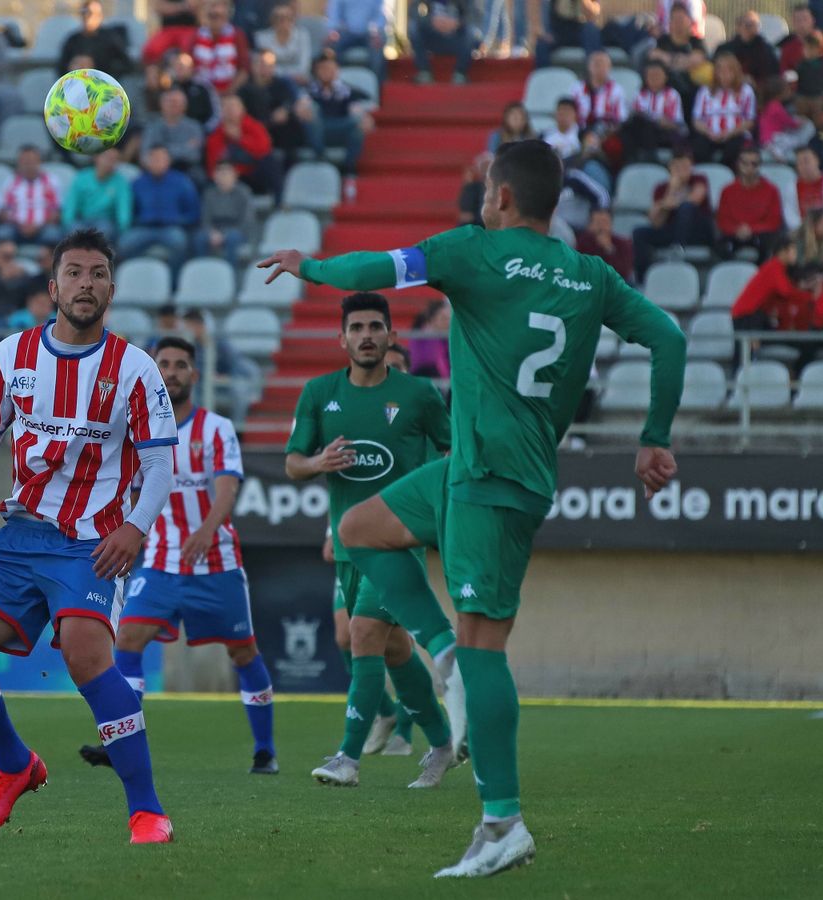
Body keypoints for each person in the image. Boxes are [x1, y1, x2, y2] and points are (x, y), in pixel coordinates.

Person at [258, 138, 686, 878]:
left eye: (487, 188)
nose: (483, 198)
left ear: (503, 198)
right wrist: (651, 438)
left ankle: (502, 822)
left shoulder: (474, 250)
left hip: (494, 479)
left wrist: (309, 266)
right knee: (359, 528)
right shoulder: (591, 275)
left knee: (486, 644)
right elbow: (670, 338)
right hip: (480, 469)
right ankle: (441, 650)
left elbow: (377, 269)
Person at [0, 227, 177, 845]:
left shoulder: (135, 368)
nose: (84, 284)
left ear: (111, 288)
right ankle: (14, 766)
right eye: (74, 273)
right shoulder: (11, 356)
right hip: (19, 537)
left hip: (89, 542)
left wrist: (135, 528)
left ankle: (145, 809)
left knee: (88, 653)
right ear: (52, 285)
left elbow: (160, 463)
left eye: (96, 273)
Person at [74, 336, 276, 775]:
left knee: (244, 652)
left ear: (194, 375)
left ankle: (265, 749)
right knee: (126, 641)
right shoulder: (134, 429)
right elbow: (122, 491)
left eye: (181, 364)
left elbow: (227, 488)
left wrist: (206, 530)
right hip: (161, 563)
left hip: (216, 563)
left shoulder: (217, 429)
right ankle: (120, 741)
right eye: (163, 363)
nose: (171, 371)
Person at [285, 291, 461, 788]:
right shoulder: (319, 393)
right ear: (341, 338)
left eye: (374, 327)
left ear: (392, 336)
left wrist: (434, 498)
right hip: (348, 544)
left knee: (361, 633)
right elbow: (293, 462)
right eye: (356, 328)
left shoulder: (419, 394)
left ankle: (348, 756)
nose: (366, 336)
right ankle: (444, 744)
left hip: (397, 540)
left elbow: (454, 454)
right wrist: (318, 462)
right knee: (395, 651)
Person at [632, 150, 715, 280]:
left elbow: (695, 199)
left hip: (697, 230)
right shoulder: (661, 188)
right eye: (678, 167)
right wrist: (671, 190)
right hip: (672, 229)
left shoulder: (699, 180)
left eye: (686, 167)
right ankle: (642, 279)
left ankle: (678, 248)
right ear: (670, 168)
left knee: (686, 208)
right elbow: (656, 222)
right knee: (639, 233)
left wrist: (668, 204)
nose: (682, 171)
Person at [120, 145, 200, 274]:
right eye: (154, 159)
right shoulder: (138, 183)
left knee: (180, 243)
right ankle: (138, 277)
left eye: (161, 159)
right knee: (125, 244)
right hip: (145, 227)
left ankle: (173, 284)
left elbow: (193, 212)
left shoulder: (182, 182)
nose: (157, 162)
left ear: (169, 161)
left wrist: (177, 220)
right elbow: (131, 210)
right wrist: (139, 220)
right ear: (148, 161)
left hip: (170, 227)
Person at [306, 51, 369, 186]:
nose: (326, 72)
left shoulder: (345, 90)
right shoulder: (310, 90)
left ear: (337, 71)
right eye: (322, 69)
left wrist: (359, 112)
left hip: (340, 128)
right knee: (311, 119)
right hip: (319, 128)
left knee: (358, 124)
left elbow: (364, 98)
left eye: (330, 69)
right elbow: (303, 105)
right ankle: (320, 158)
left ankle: (348, 167)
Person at [206, 94, 282, 199]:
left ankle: (280, 202)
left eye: (234, 106)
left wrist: (240, 138)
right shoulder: (216, 135)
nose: (230, 110)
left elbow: (264, 149)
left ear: (242, 109)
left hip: (254, 175)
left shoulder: (253, 126)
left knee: (270, 161)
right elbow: (213, 165)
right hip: (232, 179)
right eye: (226, 106)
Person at [716, 148, 784, 260]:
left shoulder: (771, 190)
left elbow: (774, 221)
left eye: (754, 164)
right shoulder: (727, 191)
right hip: (734, 234)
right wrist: (737, 230)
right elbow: (723, 220)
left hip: (761, 235)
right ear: (738, 164)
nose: (749, 168)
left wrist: (752, 229)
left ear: (759, 166)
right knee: (720, 245)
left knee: (770, 242)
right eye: (745, 163)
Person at [690, 52, 757, 165]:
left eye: (729, 71)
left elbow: (750, 120)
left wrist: (729, 133)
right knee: (699, 148)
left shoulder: (746, 91)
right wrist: (709, 132)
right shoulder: (705, 91)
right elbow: (697, 120)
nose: (724, 75)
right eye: (721, 71)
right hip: (709, 134)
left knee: (734, 150)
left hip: (735, 134)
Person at [0, 146, 63, 247]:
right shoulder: (11, 182)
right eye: (25, 162)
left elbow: (56, 213)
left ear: (39, 162)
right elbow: (3, 212)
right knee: (1, 233)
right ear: (18, 163)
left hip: (43, 227)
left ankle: (48, 259)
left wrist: (38, 226)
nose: (29, 165)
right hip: (16, 227)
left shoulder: (51, 181)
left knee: (53, 235)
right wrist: (19, 224)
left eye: (32, 161)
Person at [620, 61, 685, 163]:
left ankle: (651, 161)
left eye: (657, 75)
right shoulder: (640, 94)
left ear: (665, 77)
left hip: (663, 133)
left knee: (648, 127)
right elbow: (634, 114)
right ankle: (629, 161)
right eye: (650, 75)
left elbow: (676, 124)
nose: (654, 78)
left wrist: (655, 120)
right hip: (641, 130)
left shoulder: (672, 95)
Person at [63, 148, 133, 238]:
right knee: (74, 230)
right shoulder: (82, 177)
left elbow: (124, 208)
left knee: (103, 231)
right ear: (96, 157)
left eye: (115, 159)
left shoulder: (120, 182)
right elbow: (71, 204)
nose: (111, 162)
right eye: (108, 158)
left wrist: (123, 228)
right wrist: (67, 223)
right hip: (82, 219)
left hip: (105, 221)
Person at [197, 160, 255, 265]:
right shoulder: (209, 194)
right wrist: (212, 233)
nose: (223, 177)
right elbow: (205, 219)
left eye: (227, 173)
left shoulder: (244, 192)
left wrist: (224, 235)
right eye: (220, 173)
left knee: (232, 238)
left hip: (236, 230)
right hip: (215, 229)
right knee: (200, 238)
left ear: (235, 175)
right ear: (214, 176)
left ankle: (229, 274)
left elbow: (247, 221)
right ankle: (203, 270)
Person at [141, 88, 207, 176]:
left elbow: (195, 155)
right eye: (170, 102)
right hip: (156, 171)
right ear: (161, 104)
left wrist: (162, 154)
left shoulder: (194, 127)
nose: (173, 105)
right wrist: (185, 147)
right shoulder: (152, 126)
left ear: (185, 105)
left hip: (187, 171)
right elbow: (144, 155)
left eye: (177, 102)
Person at [61, 0, 132, 75]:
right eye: (84, 12)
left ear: (100, 16)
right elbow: (60, 67)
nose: (86, 16)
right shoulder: (72, 40)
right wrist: (71, 66)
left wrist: (95, 67)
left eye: (91, 13)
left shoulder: (111, 39)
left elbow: (127, 65)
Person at [411, 0, 474, 85]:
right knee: (413, 28)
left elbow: (475, 16)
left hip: (457, 38)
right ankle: (424, 73)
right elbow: (413, 11)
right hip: (433, 36)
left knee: (472, 31)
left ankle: (460, 74)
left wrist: (457, 23)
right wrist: (431, 21)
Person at [327, 0, 389, 81]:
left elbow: (379, 15)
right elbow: (334, 15)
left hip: (369, 32)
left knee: (377, 44)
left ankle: (376, 84)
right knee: (333, 46)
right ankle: (335, 83)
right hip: (346, 31)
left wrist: (376, 31)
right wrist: (333, 31)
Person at [717, 10, 782, 86]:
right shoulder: (725, 49)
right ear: (738, 27)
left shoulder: (766, 50)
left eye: (756, 25)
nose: (752, 29)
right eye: (748, 25)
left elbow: (772, 74)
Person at [257, 2, 313, 84]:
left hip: (298, 80)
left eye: (288, 18)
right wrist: (287, 75)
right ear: (273, 20)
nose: (284, 21)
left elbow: (304, 66)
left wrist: (282, 73)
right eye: (279, 18)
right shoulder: (262, 38)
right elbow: (265, 67)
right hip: (271, 80)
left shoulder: (303, 36)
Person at [577, 206, 634, 279]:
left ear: (611, 224)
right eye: (598, 223)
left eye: (605, 222)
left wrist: (609, 250)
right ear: (590, 225)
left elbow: (624, 272)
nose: (601, 227)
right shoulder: (583, 242)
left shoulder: (622, 244)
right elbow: (580, 267)